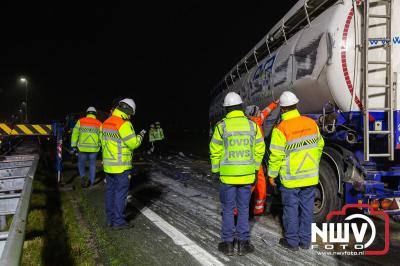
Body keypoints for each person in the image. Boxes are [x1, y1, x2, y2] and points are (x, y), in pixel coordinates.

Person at [210, 92, 265, 256]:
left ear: (227, 109)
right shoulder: (252, 125)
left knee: (228, 209)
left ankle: (227, 245)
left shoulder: (222, 126)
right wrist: (255, 169)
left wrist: (216, 170)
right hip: (247, 176)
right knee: (243, 209)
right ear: (241, 107)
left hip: (227, 176)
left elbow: (215, 150)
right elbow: (260, 149)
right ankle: (243, 244)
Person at [268, 91, 324, 251]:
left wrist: (272, 174)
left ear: (283, 109)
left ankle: (292, 242)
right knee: (307, 209)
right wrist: (313, 163)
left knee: (290, 209)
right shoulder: (311, 123)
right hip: (310, 177)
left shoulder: (281, 128)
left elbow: (276, 155)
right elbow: (320, 145)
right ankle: (305, 241)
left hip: (291, 179)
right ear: (296, 106)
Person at [101, 98, 146, 230]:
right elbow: (133, 143)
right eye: (131, 113)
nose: (131, 116)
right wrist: (141, 136)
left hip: (109, 166)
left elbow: (102, 143)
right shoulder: (124, 124)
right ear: (127, 110)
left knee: (110, 192)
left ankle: (110, 219)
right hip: (121, 166)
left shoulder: (106, 122)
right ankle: (118, 222)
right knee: (120, 194)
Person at [245, 101, 278, 215]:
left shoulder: (256, 120)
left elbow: (266, 111)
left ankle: (257, 208)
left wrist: (275, 103)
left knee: (258, 185)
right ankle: (243, 208)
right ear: (253, 114)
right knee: (253, 186)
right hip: (252, 161)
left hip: (255, 160)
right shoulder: (253, 126)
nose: (261, 113)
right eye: (258, 112)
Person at [71, 107, 102, 187]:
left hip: (82, 148)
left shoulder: (80, 121)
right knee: (92, 165)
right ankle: (91, 182)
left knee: (81, 163)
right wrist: (102, 146)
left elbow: (75, 133)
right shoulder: (99, 123)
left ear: (87, 113)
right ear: (95, 114)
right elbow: (102, 136)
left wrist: (73, 145)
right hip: (94, 148)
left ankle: (83, 177)